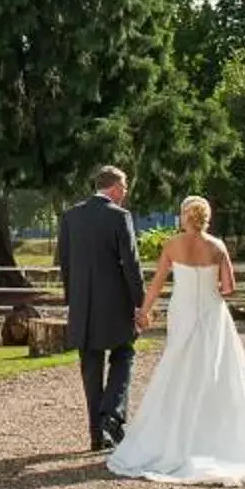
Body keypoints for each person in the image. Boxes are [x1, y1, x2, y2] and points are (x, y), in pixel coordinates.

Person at [106, 194, 245, 485]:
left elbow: (156, 284)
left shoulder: (172, 245)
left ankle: (172, 435)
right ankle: (216, 435)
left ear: (183, 217)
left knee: (179, 365)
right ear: (206, 218)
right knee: (216, 369)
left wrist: (144, 311)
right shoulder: (217, 246)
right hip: (212, 312)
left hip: (183, 310)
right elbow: (228, 288)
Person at [53, 165, 145, 451]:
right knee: (124, 355)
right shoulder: (120, 217)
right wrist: (140, 303)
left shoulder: (70, 216)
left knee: (91, 369)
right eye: (125, 186)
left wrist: (73, 300)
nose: (126, 192)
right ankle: (111, 418)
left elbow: (65, 264)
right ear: (115, 187)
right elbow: (130, 264)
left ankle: (97, 434)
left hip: (83, 304)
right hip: (115, 304)